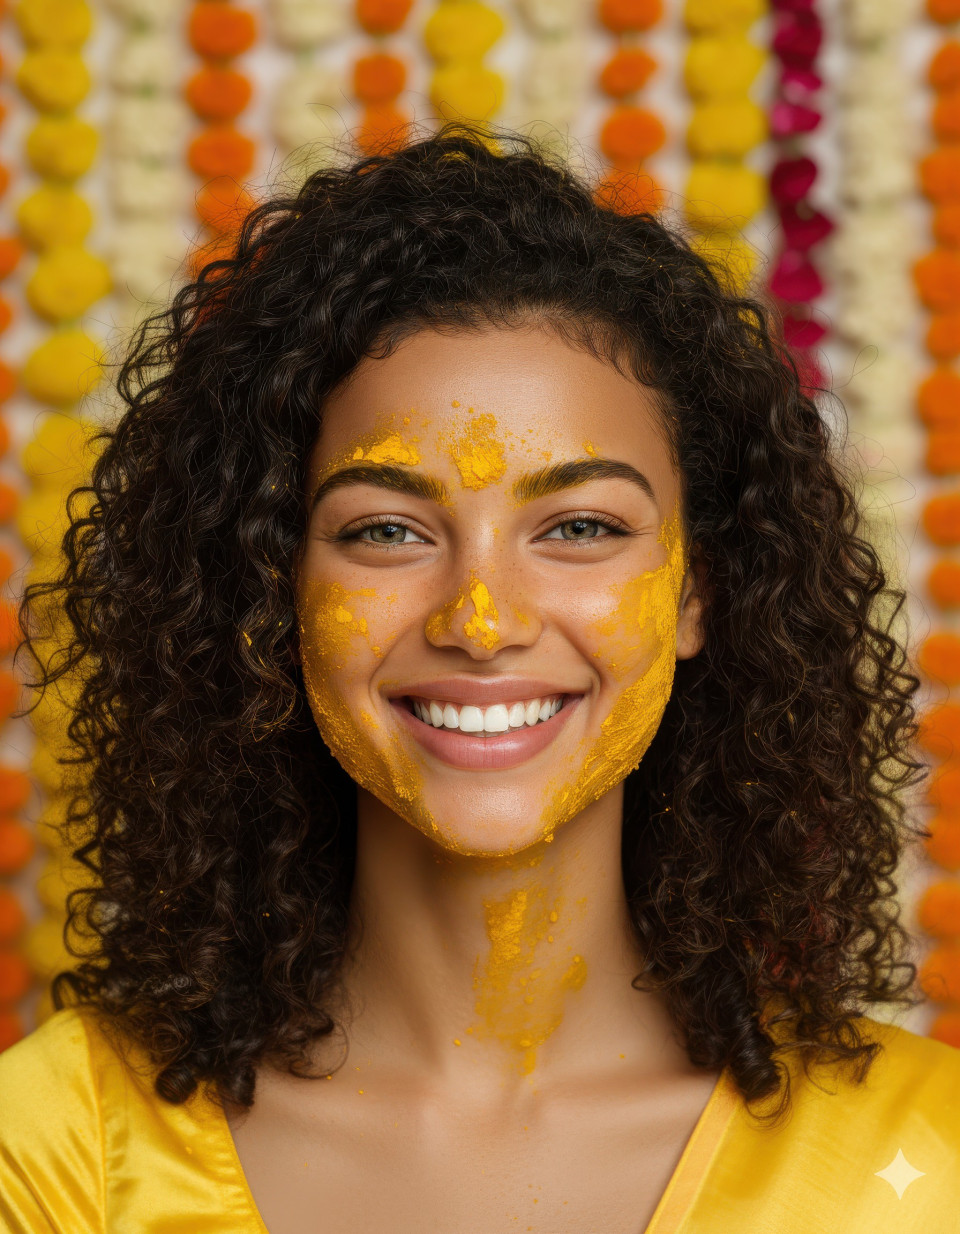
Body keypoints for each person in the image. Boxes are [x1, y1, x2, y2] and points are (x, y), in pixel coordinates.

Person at [1, 124, 958, 1234]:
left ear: (701, 589)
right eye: (388, 531)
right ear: (276, 593)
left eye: (583, 525)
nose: (481, 620)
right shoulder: (52, 1154)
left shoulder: (923, 1161)